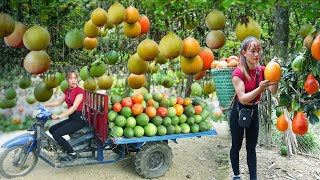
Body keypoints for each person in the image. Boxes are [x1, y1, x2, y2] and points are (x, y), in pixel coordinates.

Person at [230, 36, 278, 180]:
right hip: (239, 111)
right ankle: (236, 175)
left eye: (259, 51)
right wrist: (259, 88)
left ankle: (253, 178)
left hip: (254, 111)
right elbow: (243, 98)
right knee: (236, 146)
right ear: (244, 53)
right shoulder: (238, 73)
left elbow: (273, 91)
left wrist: (275, 74)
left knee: (251, 148)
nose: (256, 54)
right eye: (252, 51)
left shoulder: (263, 70)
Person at [42, 70, 86, 161]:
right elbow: (58, 102)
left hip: (78, 120)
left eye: (75, 78)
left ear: (77, 79)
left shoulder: (80, 91)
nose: (73, 80)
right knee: (51, 129)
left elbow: (74, 108)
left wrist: (59, 116)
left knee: (56, 134)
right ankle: (60, 147)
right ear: (67, 80)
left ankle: (72, 153)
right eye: (70, 78)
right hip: (71, 118)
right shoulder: (67, 90)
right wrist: (45, 105)